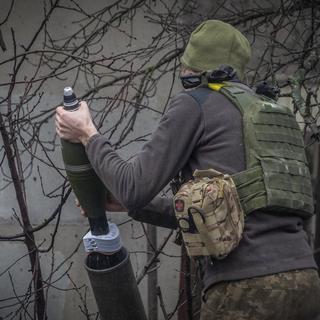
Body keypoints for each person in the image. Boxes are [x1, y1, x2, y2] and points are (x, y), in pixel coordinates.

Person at [56, 20, 320, 320]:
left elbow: (132, 187)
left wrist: (87, 133)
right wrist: (136, 208)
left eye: (186, 66)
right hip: (306, 282)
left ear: (194, 70)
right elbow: (232, 211)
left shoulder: (197, 103)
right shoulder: (269, 112)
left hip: (246, 288)